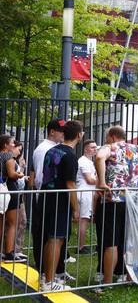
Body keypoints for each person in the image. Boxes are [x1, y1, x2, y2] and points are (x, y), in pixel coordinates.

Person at [94, 125, 138, 285]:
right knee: (128, 240)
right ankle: (127, 276)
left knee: (110, 242)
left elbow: (99, 157)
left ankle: (108, 280)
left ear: (111, 136)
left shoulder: (109, 147)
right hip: (132, 201)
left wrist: (102, 182)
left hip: (112, 199)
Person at [40, 120, 84, 291]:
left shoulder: (51, 150)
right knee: (56, 240)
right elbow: (70, 185)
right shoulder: (71, 156)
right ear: (79, 135)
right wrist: (76, 209)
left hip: (47, 198)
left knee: (51, 239)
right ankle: (49, 283)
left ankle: (46, 277)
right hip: (60, 201)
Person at [29, 118, 64, 272]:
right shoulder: (44, 149)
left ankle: (54, 270)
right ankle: (45, 271)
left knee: (51, 235)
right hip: (46, 195)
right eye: (62, 131)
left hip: (48, 195)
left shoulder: (52, 147)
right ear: (52, 132)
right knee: (45, 235)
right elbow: (40, 176)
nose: (64, 134)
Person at [0, 134, 26, 262]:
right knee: (12, 223)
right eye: (11, 143)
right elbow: (11, 174)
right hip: (8, 191)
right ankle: (9, 253)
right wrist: (20, 174)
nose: (13, 145)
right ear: (5, 145)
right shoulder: (8, 156)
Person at [76, 139, 98, 254]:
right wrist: (102, 181)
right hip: (84, 193)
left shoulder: (89, 161)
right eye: (92, 147)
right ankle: (81, 247)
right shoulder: (83, 161)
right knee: (84, 220)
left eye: (95, 147)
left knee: (86, 219)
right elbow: (89, 180)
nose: (95, 149)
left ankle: (82, 245)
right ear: (86, 149)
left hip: (89, 193)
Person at [13, 142, 28, 259]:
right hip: (13, 195)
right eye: (19, 149)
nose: (20, 152)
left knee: (22, 221)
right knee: (14, 223)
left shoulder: (19, 160)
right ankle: (10, 249)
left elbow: (20, 175)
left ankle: (17, 249)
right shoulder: (9, 160)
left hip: (20, 194)